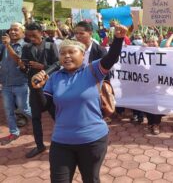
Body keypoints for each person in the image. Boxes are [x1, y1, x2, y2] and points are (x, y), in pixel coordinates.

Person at [31, 24, 127, 183]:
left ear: (83, 55)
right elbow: (43, 106)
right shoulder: (54, 78)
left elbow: (112, 57)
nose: (66, 56)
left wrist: (118, 39)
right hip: (61, 141)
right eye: (62, 53)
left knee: (90, 179)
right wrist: (37, 89)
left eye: (71, 52)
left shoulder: (93, 70)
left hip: (93, 140)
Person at [21, 22, 59, 158]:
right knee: (35, 118)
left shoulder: (50, 45)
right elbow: (25, 67)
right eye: (28, 35)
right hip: (34, 88)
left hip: (50, 88)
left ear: (42, 33)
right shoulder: (26, 47)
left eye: (34, 35)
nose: (31, 38)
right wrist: (22, 66)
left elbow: (58, 64)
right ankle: (39, 146)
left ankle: (64, 141)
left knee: (57, 116)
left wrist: (43, 67)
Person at [0, 23, 32, 145]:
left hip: (20, 84)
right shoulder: (3, 46)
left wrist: (8, 45)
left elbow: (19, 61)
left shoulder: (26, 46)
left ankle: (37, 121)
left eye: (16, 29)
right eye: (11, 30)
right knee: (8, 110)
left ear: (22, 32)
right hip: (6, 84)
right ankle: (14, 132)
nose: (12, 32)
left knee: (24, 108)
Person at [143, 35, 163, 135]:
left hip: (158, 82)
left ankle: (156, 124)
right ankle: (150, 122)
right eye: (150, 41)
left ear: (158, 43)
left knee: (156, 103)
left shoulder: (162, 51)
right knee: (148, 102)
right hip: (146, 81)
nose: (152, 43)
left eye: (154, 41)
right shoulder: (144, 51)